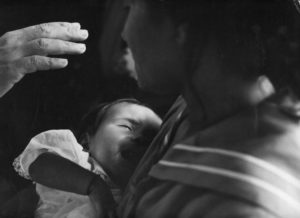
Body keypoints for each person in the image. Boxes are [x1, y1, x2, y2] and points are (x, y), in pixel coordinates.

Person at [116, 0, 300, 217]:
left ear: (183, 31)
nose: (124, 33)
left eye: (132, 6)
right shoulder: (190, 109)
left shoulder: (241, 203)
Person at [13, 98, 162, 218]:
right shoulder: (77, 161)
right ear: (87, 140)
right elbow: (37, 164)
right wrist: (94, 186)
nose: (141, 139)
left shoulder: (140, 194)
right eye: (127, 127)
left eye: (151, 139)